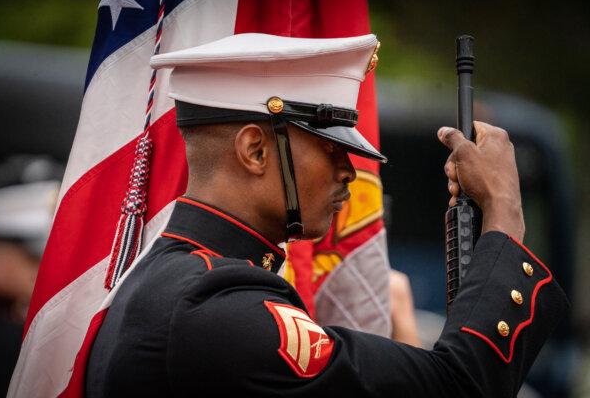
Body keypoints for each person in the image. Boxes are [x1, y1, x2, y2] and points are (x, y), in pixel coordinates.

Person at [85, 33, 568, 397]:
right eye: (330, 148)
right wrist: (504, 208)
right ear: (255, 150)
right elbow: (456, 388)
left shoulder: (174, 281)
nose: (348, 173)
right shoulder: (213, 309)